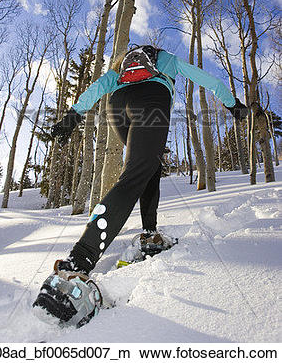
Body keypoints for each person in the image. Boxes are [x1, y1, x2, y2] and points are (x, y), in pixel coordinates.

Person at [33, 45, 247, 325]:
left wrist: (71, 118)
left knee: (149, 168)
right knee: (135, 175)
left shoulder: (121, 68)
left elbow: (98, 87)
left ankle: (149, 233)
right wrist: (232, 102)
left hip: (117, 108)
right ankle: (77, 264)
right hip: (152, 101)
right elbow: (204, 77)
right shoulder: (166, 59)